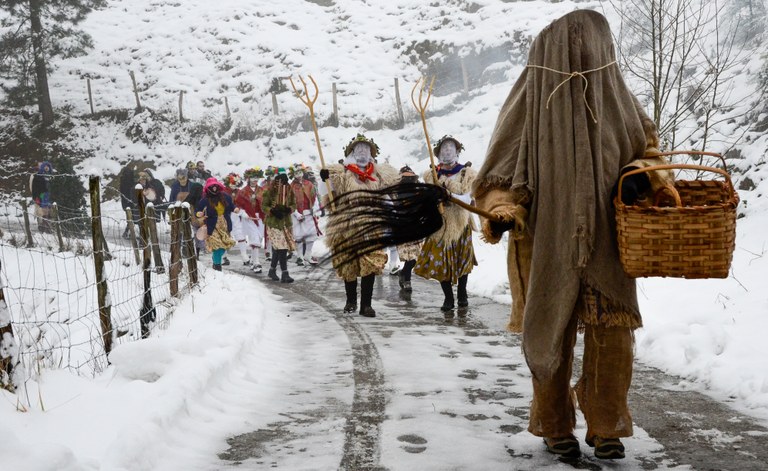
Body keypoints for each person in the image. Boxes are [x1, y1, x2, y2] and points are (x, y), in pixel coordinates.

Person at [472, 10, 673, 461]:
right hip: (544, 243)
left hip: (607, 244)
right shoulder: (529, 98)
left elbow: (652, 151)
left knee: (612, 336)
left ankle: (605, 428)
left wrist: (642, 176)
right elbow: (499, 172)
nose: (582, 56)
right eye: (571, 48)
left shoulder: (618, 97)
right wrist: (502, 208)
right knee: (550, 333)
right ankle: (555, 423)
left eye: (590, 48)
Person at [320, 134, 398, 317]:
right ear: (352, 152)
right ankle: (351, 300)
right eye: (358, 149)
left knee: (370, 263)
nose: (363, 152)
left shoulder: (377, 175)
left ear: (371, 153)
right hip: (346, 226)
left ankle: (366, 305)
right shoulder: (342, 173)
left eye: (366, 149)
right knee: (349, 265)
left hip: (371, 227)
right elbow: (329, 195)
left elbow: (385, 197)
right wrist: (326, 180)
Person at [414, 135, 477, 314]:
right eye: (443, 148)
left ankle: (462, 293)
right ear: (438, 153)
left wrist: (448, 195)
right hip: (440, 224)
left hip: (460, 223)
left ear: (458, 151)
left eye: (451, 147)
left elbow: (466, 198)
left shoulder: (466, 173)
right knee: (441, 262)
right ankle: (448, 297)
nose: (447, 150)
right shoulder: (431, 175)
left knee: (461, 260)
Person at [261, 168, 296, 283]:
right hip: (273, 223)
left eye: (284, 182)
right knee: (282, 247)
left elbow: (294, 204)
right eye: (280, 182)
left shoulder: (289, 191)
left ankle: (272, 270)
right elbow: (264, 206)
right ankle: (285, 273)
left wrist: (288, 210)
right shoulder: (269, 192)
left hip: (285, 222)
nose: (282, 184)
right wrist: (273, 211)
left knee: (278, 248)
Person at [195, 178, 236, 271]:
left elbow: (232, 206)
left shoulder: (225, 196)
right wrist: (199, 214)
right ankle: (217, 266)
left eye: (215, 186)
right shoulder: (205, 199)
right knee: (217, 246)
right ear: (208, 188)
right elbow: (197, 211)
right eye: (211, 186)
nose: (214, 188)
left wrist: (235, 209)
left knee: (224, 246)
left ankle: (215, 258)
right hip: (212, 225)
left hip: (224, 225)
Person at [394, 165, 423, 292]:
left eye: (410, 178)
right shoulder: (395, 191)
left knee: (416, 257)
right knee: (408, 256)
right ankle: (407, 281)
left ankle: (403, 273)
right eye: (405, 178)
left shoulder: (418, 190)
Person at [235, 167, 266, 274]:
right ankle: (257, 262)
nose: (254, 180)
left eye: (256, 177)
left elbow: (266, 203)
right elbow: (238, 206)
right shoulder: (243, 192)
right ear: (248, 178)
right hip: (249, 218)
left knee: (260, 237)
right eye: (252, 177)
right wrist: (244, 214)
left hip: (260, 217)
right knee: (254, 238)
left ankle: (253, 260)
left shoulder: (262, 190)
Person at [169, 168, 204, 258]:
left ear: (187, 177)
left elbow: (197, 199)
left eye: (183, 178)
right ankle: (175, 250)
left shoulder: (192, 185)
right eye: (179, 178)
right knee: (178, 230)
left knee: (190, 230)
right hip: (178, 210)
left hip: (190, 210)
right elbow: (172, 199)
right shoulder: (175, 186)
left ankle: (187, 250)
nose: (181, 180)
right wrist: (170, 211)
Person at [290, 165, 321, 266]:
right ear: (293, 175)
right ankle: (300, 257)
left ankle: (308, 254)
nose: (299, 175)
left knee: (311, 235)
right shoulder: (292, 186)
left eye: (300, 173)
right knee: (298, 236)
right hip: (297, 215)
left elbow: (314, 197)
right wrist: (296, 213)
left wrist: (315, 209)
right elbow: (289, 201)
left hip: (308, 213)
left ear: (303, 173)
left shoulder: (309, 184)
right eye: (296, 173)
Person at [30, 161, 54, 233]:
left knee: (50, 212)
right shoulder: (35, 176)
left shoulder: (51, 176)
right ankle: (43, 227)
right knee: (41, 211)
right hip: (40, 197)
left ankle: (48, 226)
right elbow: (33, 188)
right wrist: (36, 198)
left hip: (49, 197)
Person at [118, 163, 138, 239]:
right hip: (130, 201)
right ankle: (128, 233)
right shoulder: (129, 181)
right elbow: (130, 190)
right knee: (132, 218)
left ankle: (128, 232)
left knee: (130, 218)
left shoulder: (123, 181)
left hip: (126, 202)